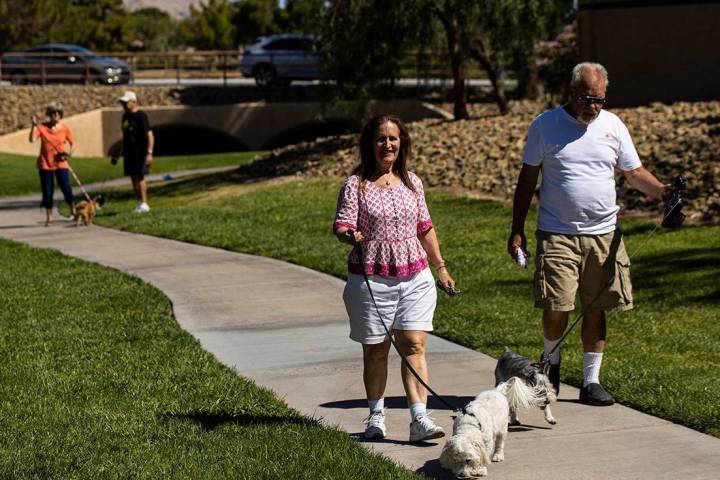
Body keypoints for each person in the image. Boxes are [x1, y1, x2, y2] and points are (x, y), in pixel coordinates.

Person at [508, 62, 671, 406]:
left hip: (604, 234)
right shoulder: (546, 126)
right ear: (570, 93)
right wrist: (517, 229)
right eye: (586, 99)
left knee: (595, 308)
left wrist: (662, 192)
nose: (593, 107)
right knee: (557, 304)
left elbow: (634, 172)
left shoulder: (613, 126)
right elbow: (527, 181)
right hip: (557, 232)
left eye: (599, 100)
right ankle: (550, 362)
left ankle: (590, 381)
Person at [333, 115, 456, 442]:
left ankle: (420, 419)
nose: (387, 145)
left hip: (415, 275)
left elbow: (425, 227)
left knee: (414, 343)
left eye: (393, 139)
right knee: (376, 350)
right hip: (371, 279)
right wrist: (350, 235)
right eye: (380, 139)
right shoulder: (356, 184)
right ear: (369, 144)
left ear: (402, 143)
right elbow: (342, 224)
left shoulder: (413, 182)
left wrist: (440, 266)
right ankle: (376, 417)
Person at [28, 102, 76, 227]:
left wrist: (69, 153)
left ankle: (73, 210)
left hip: (60, 163)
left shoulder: (65, 128)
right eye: (53, 112)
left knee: (66, 188)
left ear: (61, 115)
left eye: (58, 113)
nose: (56, 114)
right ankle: (49, 217)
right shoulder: (42, 127)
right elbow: (32, 140)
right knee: (47, 192)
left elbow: (73, 144)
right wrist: (33, 126)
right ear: (49, 114)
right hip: (45, 164)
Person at [111, 91, 154, 213]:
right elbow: (125, 138)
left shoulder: (141, 116)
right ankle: (139, 203)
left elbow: (150, 135)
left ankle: (145, 203)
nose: (123, 105)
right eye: (122, 103)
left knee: (140, 177)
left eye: (126, 102)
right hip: (129, 153)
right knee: (133, 178)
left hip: (140, 152)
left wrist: (149, 153)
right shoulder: (125, 117)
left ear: (133, 102)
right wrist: (118, 154)